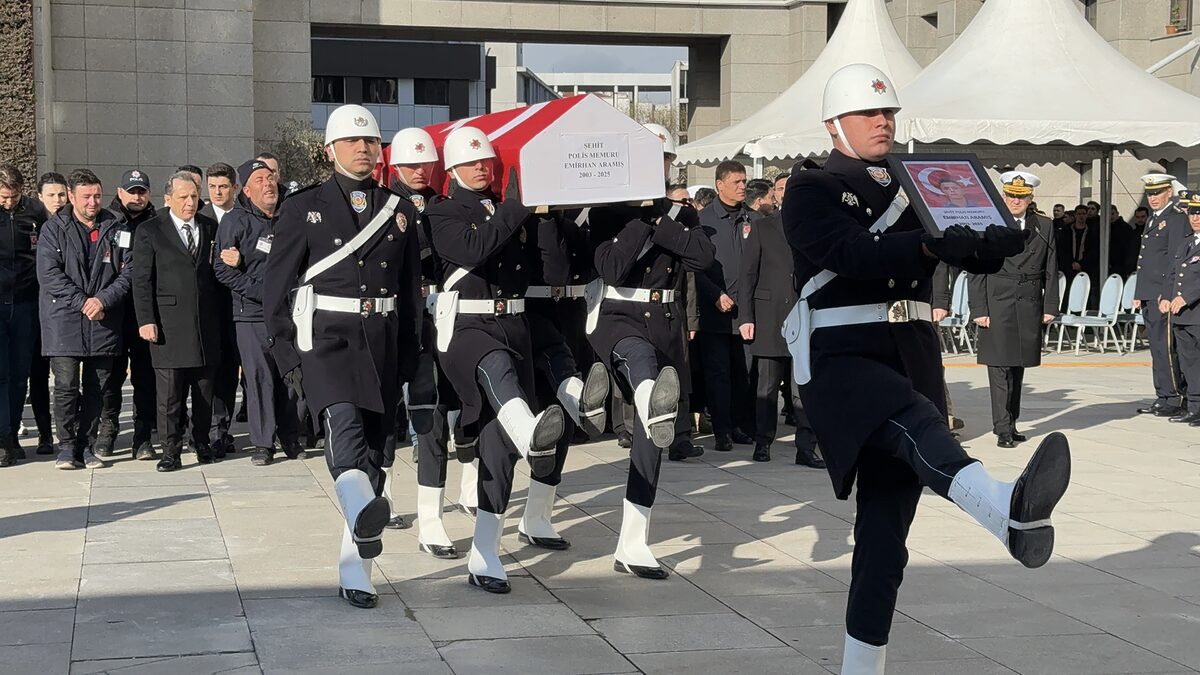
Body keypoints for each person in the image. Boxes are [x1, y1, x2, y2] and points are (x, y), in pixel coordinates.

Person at [783, 63, 1070, 675]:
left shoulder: (915, 183)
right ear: (835, 124)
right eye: (870, 114)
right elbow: (850, 253)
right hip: (843, 355)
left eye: (889, 113)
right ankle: (1006, 509)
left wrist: (993, 245)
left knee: (884, 544)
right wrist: (927, 244)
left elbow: (956, 243)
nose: (884, 122)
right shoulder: (810, 188)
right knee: (912, 420)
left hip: (911, 350)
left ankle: (862, 669)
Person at [264, 104, 422, 609]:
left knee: (376, 454)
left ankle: (356, 568)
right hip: (325, 339)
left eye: (371, 142)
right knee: (343, 428)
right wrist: (288, 357)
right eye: (352, 142)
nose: (363, 149)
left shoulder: (399, 209)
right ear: (330, 150)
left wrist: (411, 357)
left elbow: (410, 291)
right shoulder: (301, 207)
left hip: (381, 340)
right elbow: (276, 290)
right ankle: (359, 509)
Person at [424, 126, 569, 594]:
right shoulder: (442, 211)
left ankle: (485, 551)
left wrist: (544, 218)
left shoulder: (512, 211)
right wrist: (515, 207)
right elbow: (473, 248)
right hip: (466, 326)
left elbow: (548, 272)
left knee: (498, 450)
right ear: (452, 170)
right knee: (495, 367)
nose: (481, 168)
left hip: (515, 324)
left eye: (486, 161)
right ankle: (530, 430)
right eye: (470, 163)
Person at [586, 147, 716, 580]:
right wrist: (643, 221)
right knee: (643, 377)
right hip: (620, 319)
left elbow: (702, 258)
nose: (657, 167)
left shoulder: (681, 214)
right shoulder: (607, 213)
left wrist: (662, 220)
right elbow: (613, 268)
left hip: (666, 325)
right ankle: (644, 399)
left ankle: (633, 540)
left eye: (663, 161)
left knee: (650, 441)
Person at [385, 126, 459, 549]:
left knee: (430, 416)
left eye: (424, 164)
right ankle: (384, 495)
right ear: (395, 165)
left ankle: (431, 520)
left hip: (436, 318)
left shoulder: (442, 206)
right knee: (385, 415)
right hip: (393, 319)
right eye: (411, 164)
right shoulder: (381, 206)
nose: (419, 171)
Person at [37, 168, 130, 471]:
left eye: (97, 196)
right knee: (65, 385)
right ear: (73, 197)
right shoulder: (54, 229)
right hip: (64, 320)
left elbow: (128, 272)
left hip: (103, 320)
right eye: (86, 196)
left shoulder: (117, 226)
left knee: (96, 387)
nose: (93, 202)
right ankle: (65, 446)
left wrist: (102, 300)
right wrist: (83, 302)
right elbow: (50, 275)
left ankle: (86, 445)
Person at [213, 159, 304, 466]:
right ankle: (263, 443)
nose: (268, 184)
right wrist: (261, 293)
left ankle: (291, 436)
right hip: (251, 314)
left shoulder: (291, 214)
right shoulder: (235, 221)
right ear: (247, 190)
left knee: (289, 374)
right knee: (259, 378)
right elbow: (221, 270)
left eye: (271, 178)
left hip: (290, 312)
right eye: (260, 180)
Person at [132, 172, 225, 471]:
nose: (189, 203)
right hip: (168, 325)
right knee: (170, 395)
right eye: (183, 197)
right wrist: (146, 319)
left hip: (205, 324)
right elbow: (141, 280)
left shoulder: (210, 227)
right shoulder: (150, 230)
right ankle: (170, 450)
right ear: (168, 198)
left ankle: (202, 442)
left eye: (194, 197)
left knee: (203, 391)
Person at [968, 172, 1059, 448]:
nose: (1015, 200)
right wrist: (979, 308)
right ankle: (1002, 428)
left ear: (1031, 198)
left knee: (1018, 366)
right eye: (1010, 195)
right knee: (999, 366)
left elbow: (1052, 267)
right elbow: (976, 268)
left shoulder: (1044, 225)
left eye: (1020, 196)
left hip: (1028, 301)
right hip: (998, 300)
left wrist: (1050, 305)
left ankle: (1013, 421)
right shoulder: (989, 223)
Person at [737, 204, 823, 467]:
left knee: (804, 388)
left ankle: (806, 448)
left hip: (805, 315)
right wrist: (746, 317)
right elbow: (747, 273)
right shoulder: (763, 226)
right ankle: (762, 442)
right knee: (767, 386)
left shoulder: (815, 226)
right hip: (769, 316)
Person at [696, 160, 756, 452]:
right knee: (718, 376)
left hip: (746, 313)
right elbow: (694, 268)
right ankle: (721, 431)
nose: (743, 186)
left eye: (744, 181)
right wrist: (715, 294)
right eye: (736, 182)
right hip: (715, 313)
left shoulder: (752, 219)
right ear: (720, 185)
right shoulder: (703, 221)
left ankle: (739, 426)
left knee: (743, 373)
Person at [99, 169, 158, 459]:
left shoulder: (158, 223)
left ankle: (143, 436)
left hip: (144, 311)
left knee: (145, 377)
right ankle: (107, 430)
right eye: (131, 191)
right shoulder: (107, 222)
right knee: (111, 376)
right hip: (113, 311)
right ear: (120, 192)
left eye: (142, 191)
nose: (137, 196)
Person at [0, 165, 47, 467]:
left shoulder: (35, 211)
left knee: (19, 375)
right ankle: (2, 435)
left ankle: (12, 433)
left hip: (27, 302)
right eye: (4, 197)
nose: (9, 203)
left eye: (14, 197)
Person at [1134, 174, 1191, 417]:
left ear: (1169, 192)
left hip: (1162, 296)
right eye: (1150, 193)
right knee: (1157, 348)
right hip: (1150, 293)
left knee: (1167, 348)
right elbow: (1145, 260)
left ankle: (1174, 396)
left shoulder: (1176, 219)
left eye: (1158, 193)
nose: (1153, 198)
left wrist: (1168, 293)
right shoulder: (1154, 219)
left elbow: (1175, 261)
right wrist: (1139, 293)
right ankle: (1163, 394)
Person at [25, 172, 68, 457]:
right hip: (34, 306)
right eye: (51, 195)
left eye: (61, 194)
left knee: (67, 376)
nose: (57, 200)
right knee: (38, 374)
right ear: (40, 196)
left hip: (65, 310)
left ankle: (73, 430)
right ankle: (44, 433)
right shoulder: (30, 223)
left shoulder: (73, 222)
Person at [202, 163, 241, 458]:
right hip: (207, 307)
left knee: (230, 371)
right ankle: (208, 430)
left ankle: (223, 430)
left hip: (238, 306)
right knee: (210, 371)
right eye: (213, 186)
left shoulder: (244, 217)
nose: (217, 192)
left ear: (235, 188)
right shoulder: (200, 219)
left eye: (223, 186)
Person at [1168, 192, 1200, 425]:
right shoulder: (1186, 243)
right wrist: (1165, 297)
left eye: (1199, 213)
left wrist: (1186, 298)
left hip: (1196, 312)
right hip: (1181, 316)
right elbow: (1174, 274)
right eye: (1192, 212)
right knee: (1188, 363)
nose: (1195, 217)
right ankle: (1194, 405)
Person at [1057, 204, 1100, 309]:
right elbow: (1062, 250)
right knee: (1068, 292)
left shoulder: (1092, 231)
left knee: (1086, 292)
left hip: (1086, 268)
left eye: (1084, 214)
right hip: (1069, 268)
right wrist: (1071, 263)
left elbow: (1094, 251)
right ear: (1075, 215)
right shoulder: (1066, 230)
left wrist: (1082, 264)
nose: (1081, 216)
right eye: (1079, 214)